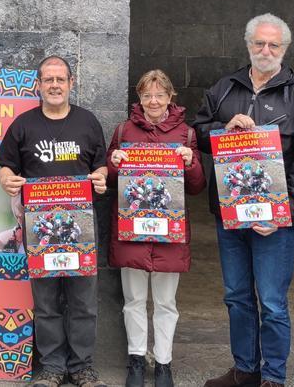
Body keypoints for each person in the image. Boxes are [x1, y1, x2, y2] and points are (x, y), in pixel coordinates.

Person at [190, 13, 294, 387]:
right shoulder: (224, 89)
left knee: (274, 303)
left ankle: (274, 377)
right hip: (230, 215)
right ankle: (245, 370)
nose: (265, 50)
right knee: (236, 296)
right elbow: (197, 133)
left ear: (285, 49)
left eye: (273, 45)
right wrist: (220, 128)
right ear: (248, 45)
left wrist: (286, 211)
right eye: (259, 43)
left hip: (275, 223)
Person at [0, 55, 109, 387]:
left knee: (83, 300)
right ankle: (52, 367)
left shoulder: (87, 122)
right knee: (45, 301)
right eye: (49, 80)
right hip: (39, 227)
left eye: (61, 80)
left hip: (80, 226)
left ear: (71, 84)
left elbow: (100, 165)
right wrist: (6, 179)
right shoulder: (23, 124)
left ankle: (82, 366)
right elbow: (5, 166)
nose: (55, 86)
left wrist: (101, 178)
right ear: (38, 85)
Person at [106, 70, 205, 387]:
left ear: (170, 97)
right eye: (147, 95)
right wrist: (113, 162)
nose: (153, 101)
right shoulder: (123, 132)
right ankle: (136, 360)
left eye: (160, 95)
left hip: (168, 232)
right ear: (140, 98)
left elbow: (197, 187)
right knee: (133, 300)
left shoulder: (187, 135)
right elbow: (107, 181)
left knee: (166, 303)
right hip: (131, 230)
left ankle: (163, 362)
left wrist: (191, 163)